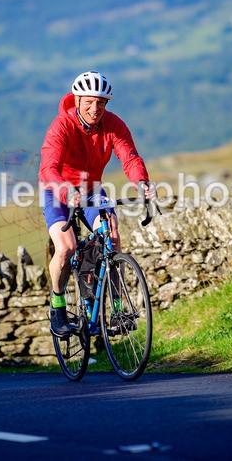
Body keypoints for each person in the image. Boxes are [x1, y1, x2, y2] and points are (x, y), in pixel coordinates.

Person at [39, 71, 156, 336]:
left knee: (112, 238)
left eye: (101, 102)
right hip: (57, 190)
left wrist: (142, 183)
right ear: (77, 101)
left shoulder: (113, 124)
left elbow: (130, 157)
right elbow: (49, 168)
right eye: (89, 102)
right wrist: (66, 192)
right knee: (66, 247)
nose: (95, 108)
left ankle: (117, 311)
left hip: (91, 189)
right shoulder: (62, 125)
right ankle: (57, 308)